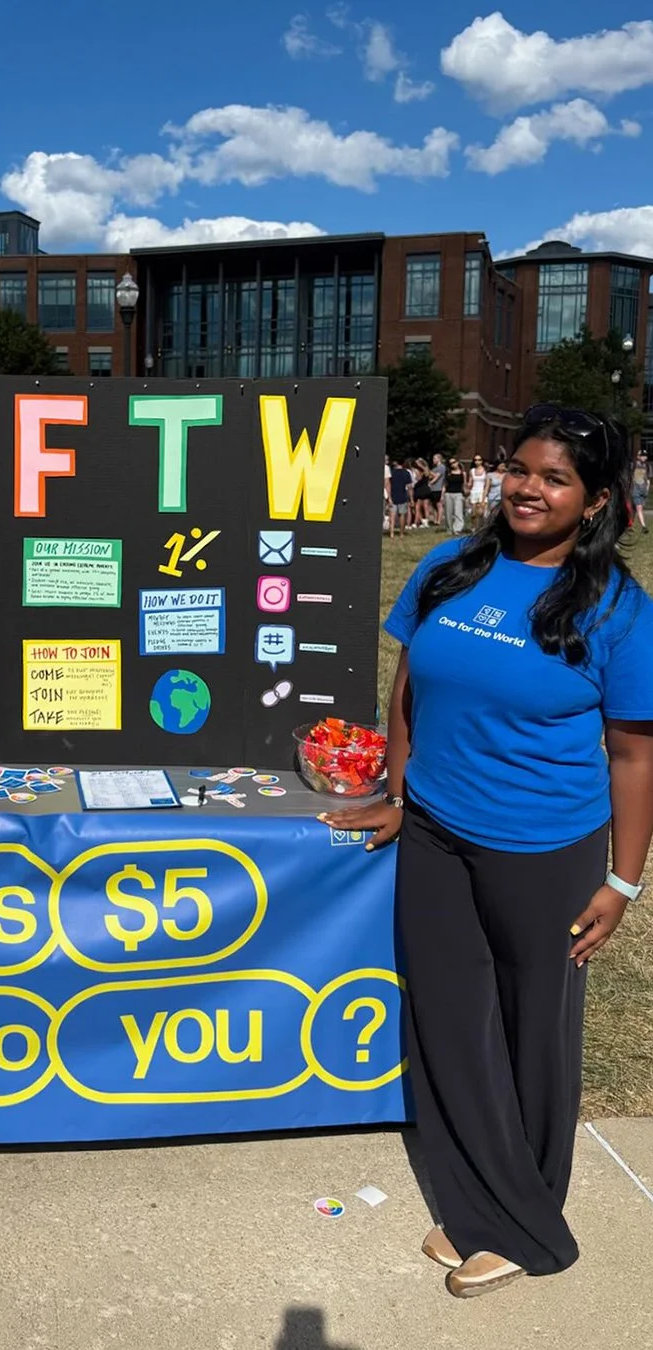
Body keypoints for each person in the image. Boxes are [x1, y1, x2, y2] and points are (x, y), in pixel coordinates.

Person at [320, 405, 653, 1298]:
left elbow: (633, 753)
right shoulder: (448, 565)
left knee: (532, 1033)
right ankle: (476, 1209)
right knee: (449, 1024)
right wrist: (398, 793)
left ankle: (531, 1225)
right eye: (519, 469)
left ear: (593, 502)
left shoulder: (618, 609)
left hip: (544, 852)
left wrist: (622, 879)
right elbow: (406, 687)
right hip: (435, 834)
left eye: (554, 478)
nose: (527, 488)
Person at [389, 457, 413, 538]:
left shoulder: (392, 473)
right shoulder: (406, 473)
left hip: (392, 496)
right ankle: (401, 533)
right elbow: (409, 487)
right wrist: (411, 499)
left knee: (392, 515)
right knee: (402, 515)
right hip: (402, 496)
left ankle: (391, 533)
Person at [442, 457, 466, 534]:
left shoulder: (463, 473)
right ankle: (449, 529)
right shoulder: (448, 473)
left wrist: (465, 494)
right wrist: (442, 496)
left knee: (458, 512)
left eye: (454, 462)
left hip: (458, 494)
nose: (453, 464)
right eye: (451, 463)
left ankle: (457, 529)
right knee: (448, 512)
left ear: (458, 462)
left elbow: (464, 484)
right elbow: (445, 485)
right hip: (448, 494)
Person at [467, 453, 488, 526]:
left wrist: (484, 495)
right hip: (473, 492)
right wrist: (467, 487)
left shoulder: (486, 471)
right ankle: (474, 529)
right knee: (473, 513)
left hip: (482, 492)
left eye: (479, 460)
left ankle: (481, 527)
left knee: (481, 512)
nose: (477, 461)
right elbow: (470, 482)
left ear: (482, 461)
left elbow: (486, 484)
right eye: (475, 460)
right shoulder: (472, 471)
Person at [412, 458, 433, 528]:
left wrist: (420, 466)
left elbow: (427, 475)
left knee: (424, 506)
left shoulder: (425, 469)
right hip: (420, 488)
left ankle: (425, 521)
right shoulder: (417, 470)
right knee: (418, 507)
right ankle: (421, 521)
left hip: (423, 489)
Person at [632, 449, 649, 533]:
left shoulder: (647, 466)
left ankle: (629, 525)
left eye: (645, 456)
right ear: (638, 456)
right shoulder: (633, 465)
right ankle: (643, 526)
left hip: (643, 491)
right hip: (635, 490)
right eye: (642, 455)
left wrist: (647, 490)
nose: (644, 457)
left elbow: (648, 479)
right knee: (639, 507)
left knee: (636, 509)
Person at [427, 453, 446, 528]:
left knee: (439, 504)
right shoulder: (434, 468)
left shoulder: (441, 467)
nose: (433, 460)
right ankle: (435, 519)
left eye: (435, 458)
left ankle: (439, 520)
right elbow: (430, 476)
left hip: (438, 488)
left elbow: (436, 477)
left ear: (439, 459)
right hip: (433, 489)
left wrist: (430, 482)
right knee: (433, 504)